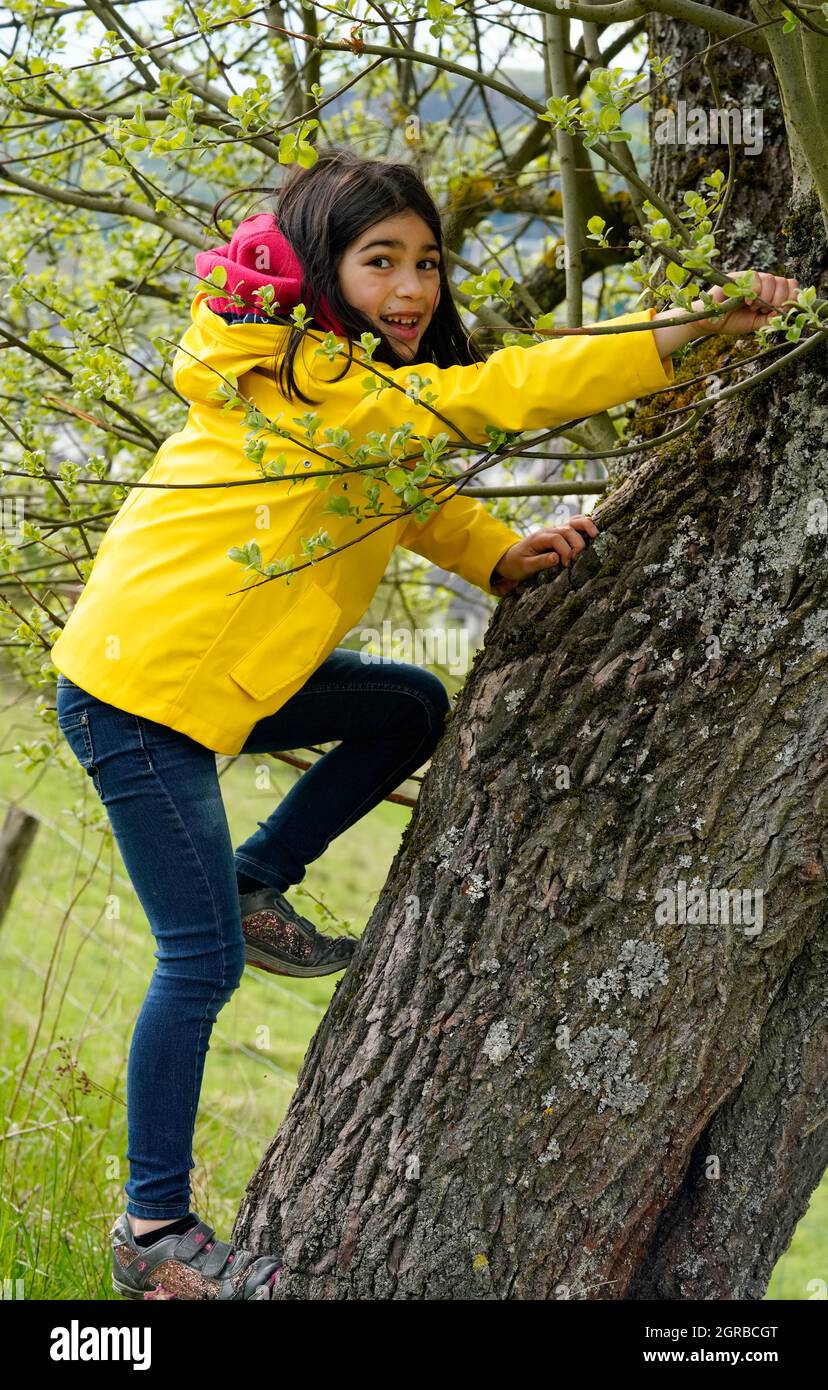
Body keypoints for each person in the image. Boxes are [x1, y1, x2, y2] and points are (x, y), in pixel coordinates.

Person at [50, 146, 797, 1299]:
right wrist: (689, 326)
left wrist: (493, 553)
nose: (411, 290)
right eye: (379, 262)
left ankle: (259, 877)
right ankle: (154, 1224)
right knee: (195, 968)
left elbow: (398, 491)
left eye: (427, 265)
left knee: (409, 705)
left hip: (221, 680)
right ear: (318, 269)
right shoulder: (303, 386)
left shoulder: (349, 388)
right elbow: (483, 398)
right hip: (139, 698)